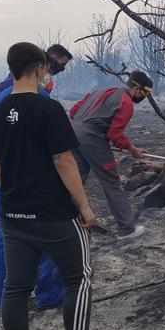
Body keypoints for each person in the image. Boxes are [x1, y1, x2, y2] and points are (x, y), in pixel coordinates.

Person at [0, 42, 119, 330]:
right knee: (79, 279)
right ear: (41, 68)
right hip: (54, 214)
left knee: (15, 287)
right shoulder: (48, 108)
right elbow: (63, 160)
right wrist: (84, 206)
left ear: (12, 69)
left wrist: (14, 198)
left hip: (13, 216)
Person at [0, 44, 74, 310]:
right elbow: (59, 155)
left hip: (3, 171)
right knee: (48, 228)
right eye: (54, 66)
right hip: (28, 174)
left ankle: (7, 296)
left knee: (8, 229)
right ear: (40, 65)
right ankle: (49, 294)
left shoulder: (2, 90)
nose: (55, 72)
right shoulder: (35, 97)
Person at [69, 71, 153, 240]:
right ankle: (127, 228)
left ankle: (67, 223)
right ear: (136, 87)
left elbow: (73, 110)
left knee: (74, 179)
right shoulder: (126, 103)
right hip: (92, 138)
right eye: (144, 93)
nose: (143, 97)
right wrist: (132, 149)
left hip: (72, 132)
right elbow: (115, 135)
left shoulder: (102, 90)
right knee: (111, 182)